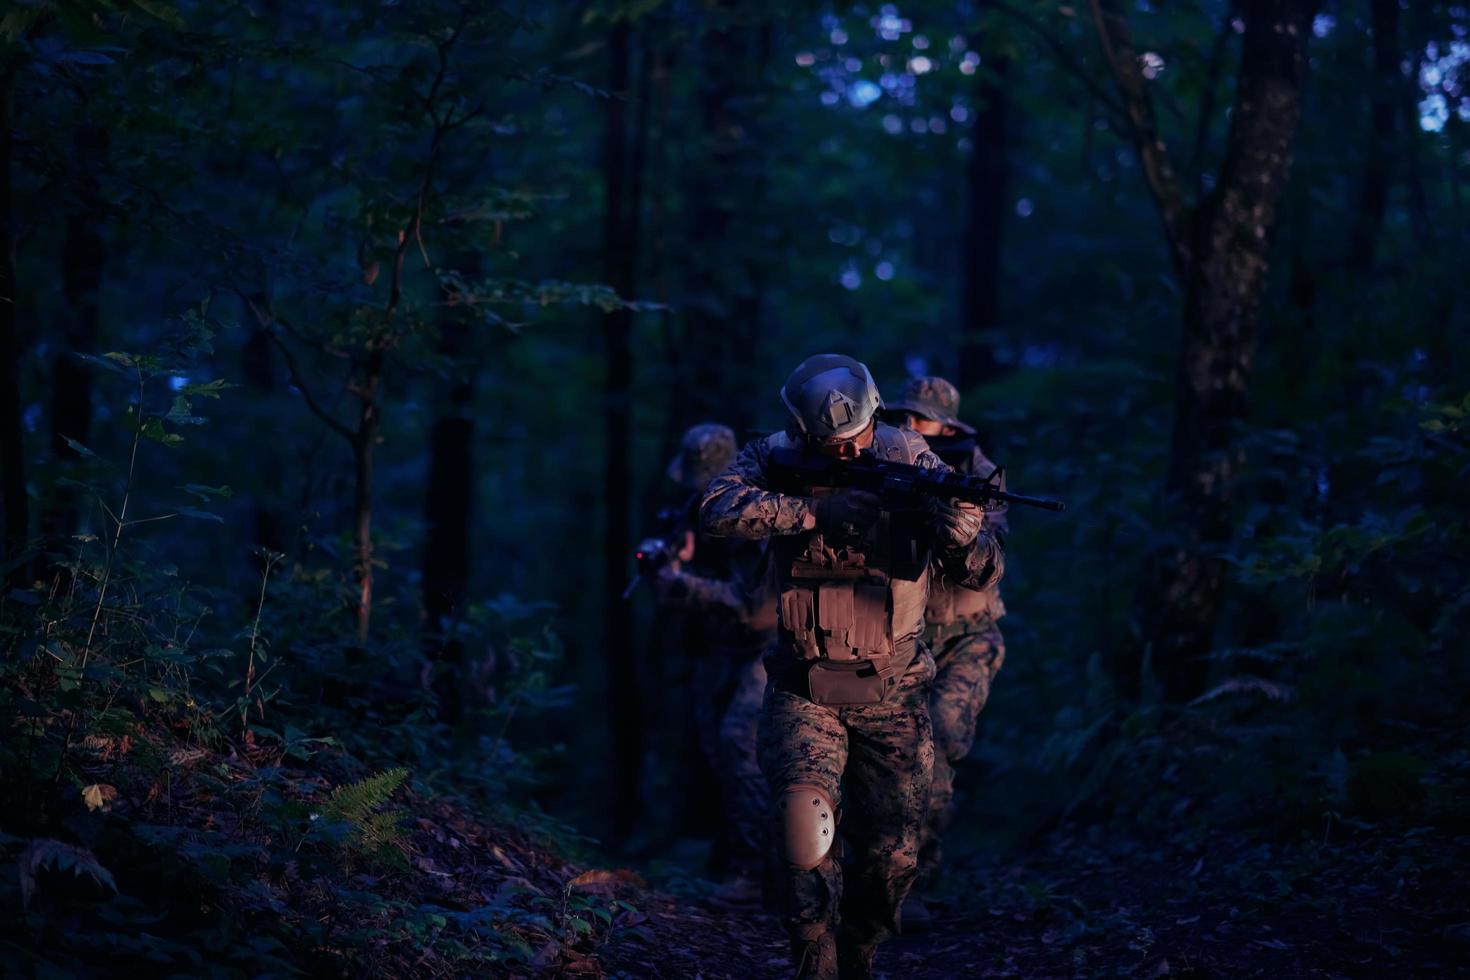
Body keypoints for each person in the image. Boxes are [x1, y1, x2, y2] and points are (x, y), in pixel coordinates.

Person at [700, 354, 1004, 979]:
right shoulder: (775, 453)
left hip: (891, 690)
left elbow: (982, 571)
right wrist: (816, 513)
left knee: (891, 855)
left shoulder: (912, 456)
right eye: (831, 443)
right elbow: (717, 507)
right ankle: (814, 951)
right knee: (804, 827)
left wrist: (960, 533)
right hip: (803, 683)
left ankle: (861, 948)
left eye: (857, 439)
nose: (848, 451)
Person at [882, 376, 1009, 924]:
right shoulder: (884, 457)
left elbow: (985, 555)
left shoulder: (980, 475)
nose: (911, 429)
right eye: (903, 418)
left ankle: (917, 882)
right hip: (900, 639)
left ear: (949, 428)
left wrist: (945, 510)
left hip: (965, 639)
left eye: (923, 421)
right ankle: (873, 881)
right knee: (888, 759)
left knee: (939, 749)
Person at [651, 423, 775, 888]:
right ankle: (731, 861)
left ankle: (753, 869)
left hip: (763, 649)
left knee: (740, 744)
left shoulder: (754, 520)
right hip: (717, 650)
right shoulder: (694, 513)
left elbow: (756, 608)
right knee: (717, 754)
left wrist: (683, 585)